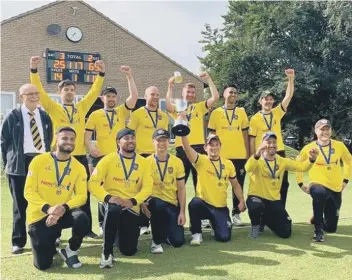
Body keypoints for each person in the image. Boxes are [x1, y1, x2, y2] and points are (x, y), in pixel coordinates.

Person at [30, 56, 105, 238]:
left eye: (72, 89)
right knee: (57, 194)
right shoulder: (53, 107)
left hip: (79, 158)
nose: (69, 92)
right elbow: (38, 90)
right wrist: (33, 70)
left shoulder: (81, 107)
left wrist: (101, 73)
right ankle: (54, 230)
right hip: (60, 158)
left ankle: (86, 229)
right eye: (66, 90)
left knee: (83, 194)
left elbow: (94, 92)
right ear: (60, 92)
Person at [24, 127, 89, 270]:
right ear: (56, 139)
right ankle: (50, 240)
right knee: (43, 265)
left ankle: (70, 250)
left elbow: (82, 196)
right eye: (65, 138)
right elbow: (29, 191)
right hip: (40, 215)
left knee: (82, 218)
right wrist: (49, 208)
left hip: (61, 213)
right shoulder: (39, 160)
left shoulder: (78, 167)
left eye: (72, 139)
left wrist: (63, 208)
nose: (69, 142)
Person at [85, 66, 138, 235]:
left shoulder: (121, 111)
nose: (111, 99)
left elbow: (134, 97)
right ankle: (103, 224)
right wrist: (91, 146)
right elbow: (86, 136)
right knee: (102, 192)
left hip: (119, 158)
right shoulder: (95, 115)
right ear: (102, 98)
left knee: (118, 189)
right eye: (108, 96)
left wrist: (129, 76)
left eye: (113, 96)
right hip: (100, 158)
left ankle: (121, 221)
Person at [88, 128, 152, 269]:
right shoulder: (107, 159)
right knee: (114, 209)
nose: (130, 141)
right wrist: (108, 197)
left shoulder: (144, 162)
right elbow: (92, 183)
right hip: (112, 204)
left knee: (129, 251)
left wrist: (133, 201)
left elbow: (148, 187)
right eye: (126, 138)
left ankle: (115, 232)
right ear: (118, 142)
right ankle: (107, 252)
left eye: (132, 138)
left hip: (131, 207)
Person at [1, 84, 53, 254]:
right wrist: (10, 163)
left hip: (41, 162)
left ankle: (48, 237)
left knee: (45, 202)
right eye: (29, 94)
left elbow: (49, 139)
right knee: (20, 205)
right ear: (21, 96)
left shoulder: (45, 116)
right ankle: (18, 241)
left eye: (36, 93)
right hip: (19, 165)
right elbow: (4, 142)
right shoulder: (13, 116)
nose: (33, 97)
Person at [245, 132, 318, 239]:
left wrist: (311, 159)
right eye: (268, 142)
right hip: (257, 197)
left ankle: (265, 219)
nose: (272, 145)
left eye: (274, 142)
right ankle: (256, 226)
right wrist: (257, 153)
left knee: (286, 232)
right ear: (262, 144)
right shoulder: (257, 159)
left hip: (274, 200)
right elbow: (248, 168)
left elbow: (301, 167)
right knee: (256, 206)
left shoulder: (282, 161)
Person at [180, 128, 246, 246]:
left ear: (220, 146)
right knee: (194, 203)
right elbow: (187, 148)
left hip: (220, 207)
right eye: (211, 145)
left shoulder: (228, 164)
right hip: (204, 204)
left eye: (217, 145)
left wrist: (241, 200)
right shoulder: (201, 160)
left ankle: (215, 225)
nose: (214, 147)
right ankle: (196, 233)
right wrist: (183, 132)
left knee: (224, 237)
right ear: (205, 147)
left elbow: (235, 184)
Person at [295, 119, 352, 242]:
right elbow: (298, 164)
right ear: (316, 131)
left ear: (331, 131)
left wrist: (345, 180)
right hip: (317, 184)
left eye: (327, 129)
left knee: (331, 228)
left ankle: (317, 217)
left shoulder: (340, 146)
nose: (325, 132)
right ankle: (318, 230)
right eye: (322, 129)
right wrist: (300, 183)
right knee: (319, 193)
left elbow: (349, 161)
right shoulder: (308, 148)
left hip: (335, 187)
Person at [249, 69, 295, 208]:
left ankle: (280, 210)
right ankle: (264, 212)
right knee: (264, 183)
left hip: (278, 152)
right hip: (263, 154)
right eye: (265, 99)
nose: (268, 101)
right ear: (260, 101)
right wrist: (253, 157)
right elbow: (251, 140)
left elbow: (288, 97)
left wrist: (291, 79)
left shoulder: (276, 113)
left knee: (283, 183)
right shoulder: (255, 118)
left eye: (270, 99)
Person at [166, 73, 219, 191]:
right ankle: (178, 209)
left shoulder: (199, 107)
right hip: (181, 149)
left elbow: (215, 97)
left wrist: (209, 79)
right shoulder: (177, 107)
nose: (190, 95)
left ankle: (200, 208)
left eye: (193, 92)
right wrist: (170, 86)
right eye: (188, 92)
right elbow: (168, 106)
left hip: (198, 148)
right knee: (179, 185)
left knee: (200, 184)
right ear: (183, 93)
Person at [127, 86, 169, 234]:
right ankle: (142, 223)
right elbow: (130, 136)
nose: (155, 97)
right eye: (152, 94)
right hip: (142, 157)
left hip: (158, 156)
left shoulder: (163, 116)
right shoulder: (137, 114)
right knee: (141, 189)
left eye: (157, 95)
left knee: (156, 189)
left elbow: (165, 139)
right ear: (145, 96)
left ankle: (156, 221)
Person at [208, 85, 249, 226]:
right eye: (230, 92)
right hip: (221, 157)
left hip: (239, 155)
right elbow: (211, 135)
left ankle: (236, 213)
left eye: (235, 93)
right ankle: (212, 212)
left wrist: (248, 154)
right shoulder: (216, 113)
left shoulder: (241, 112)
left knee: (238, 185)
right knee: (217, 184)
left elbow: (245, 134)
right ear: (224, 94)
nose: (233, 94)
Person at [140, 128, 186, 254]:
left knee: (178, 241)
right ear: (153, 142)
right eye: (159, 140)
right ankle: (156, 241)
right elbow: (138, 186)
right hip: (152, 203)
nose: (162, 143)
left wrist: (182, 212)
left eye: (165, 140)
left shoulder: (177, 162)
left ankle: (164, 231)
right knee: (157, 204)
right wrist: (142, 204)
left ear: (169, 142)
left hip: (171, 203)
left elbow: (181, 189)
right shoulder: (145, 162)